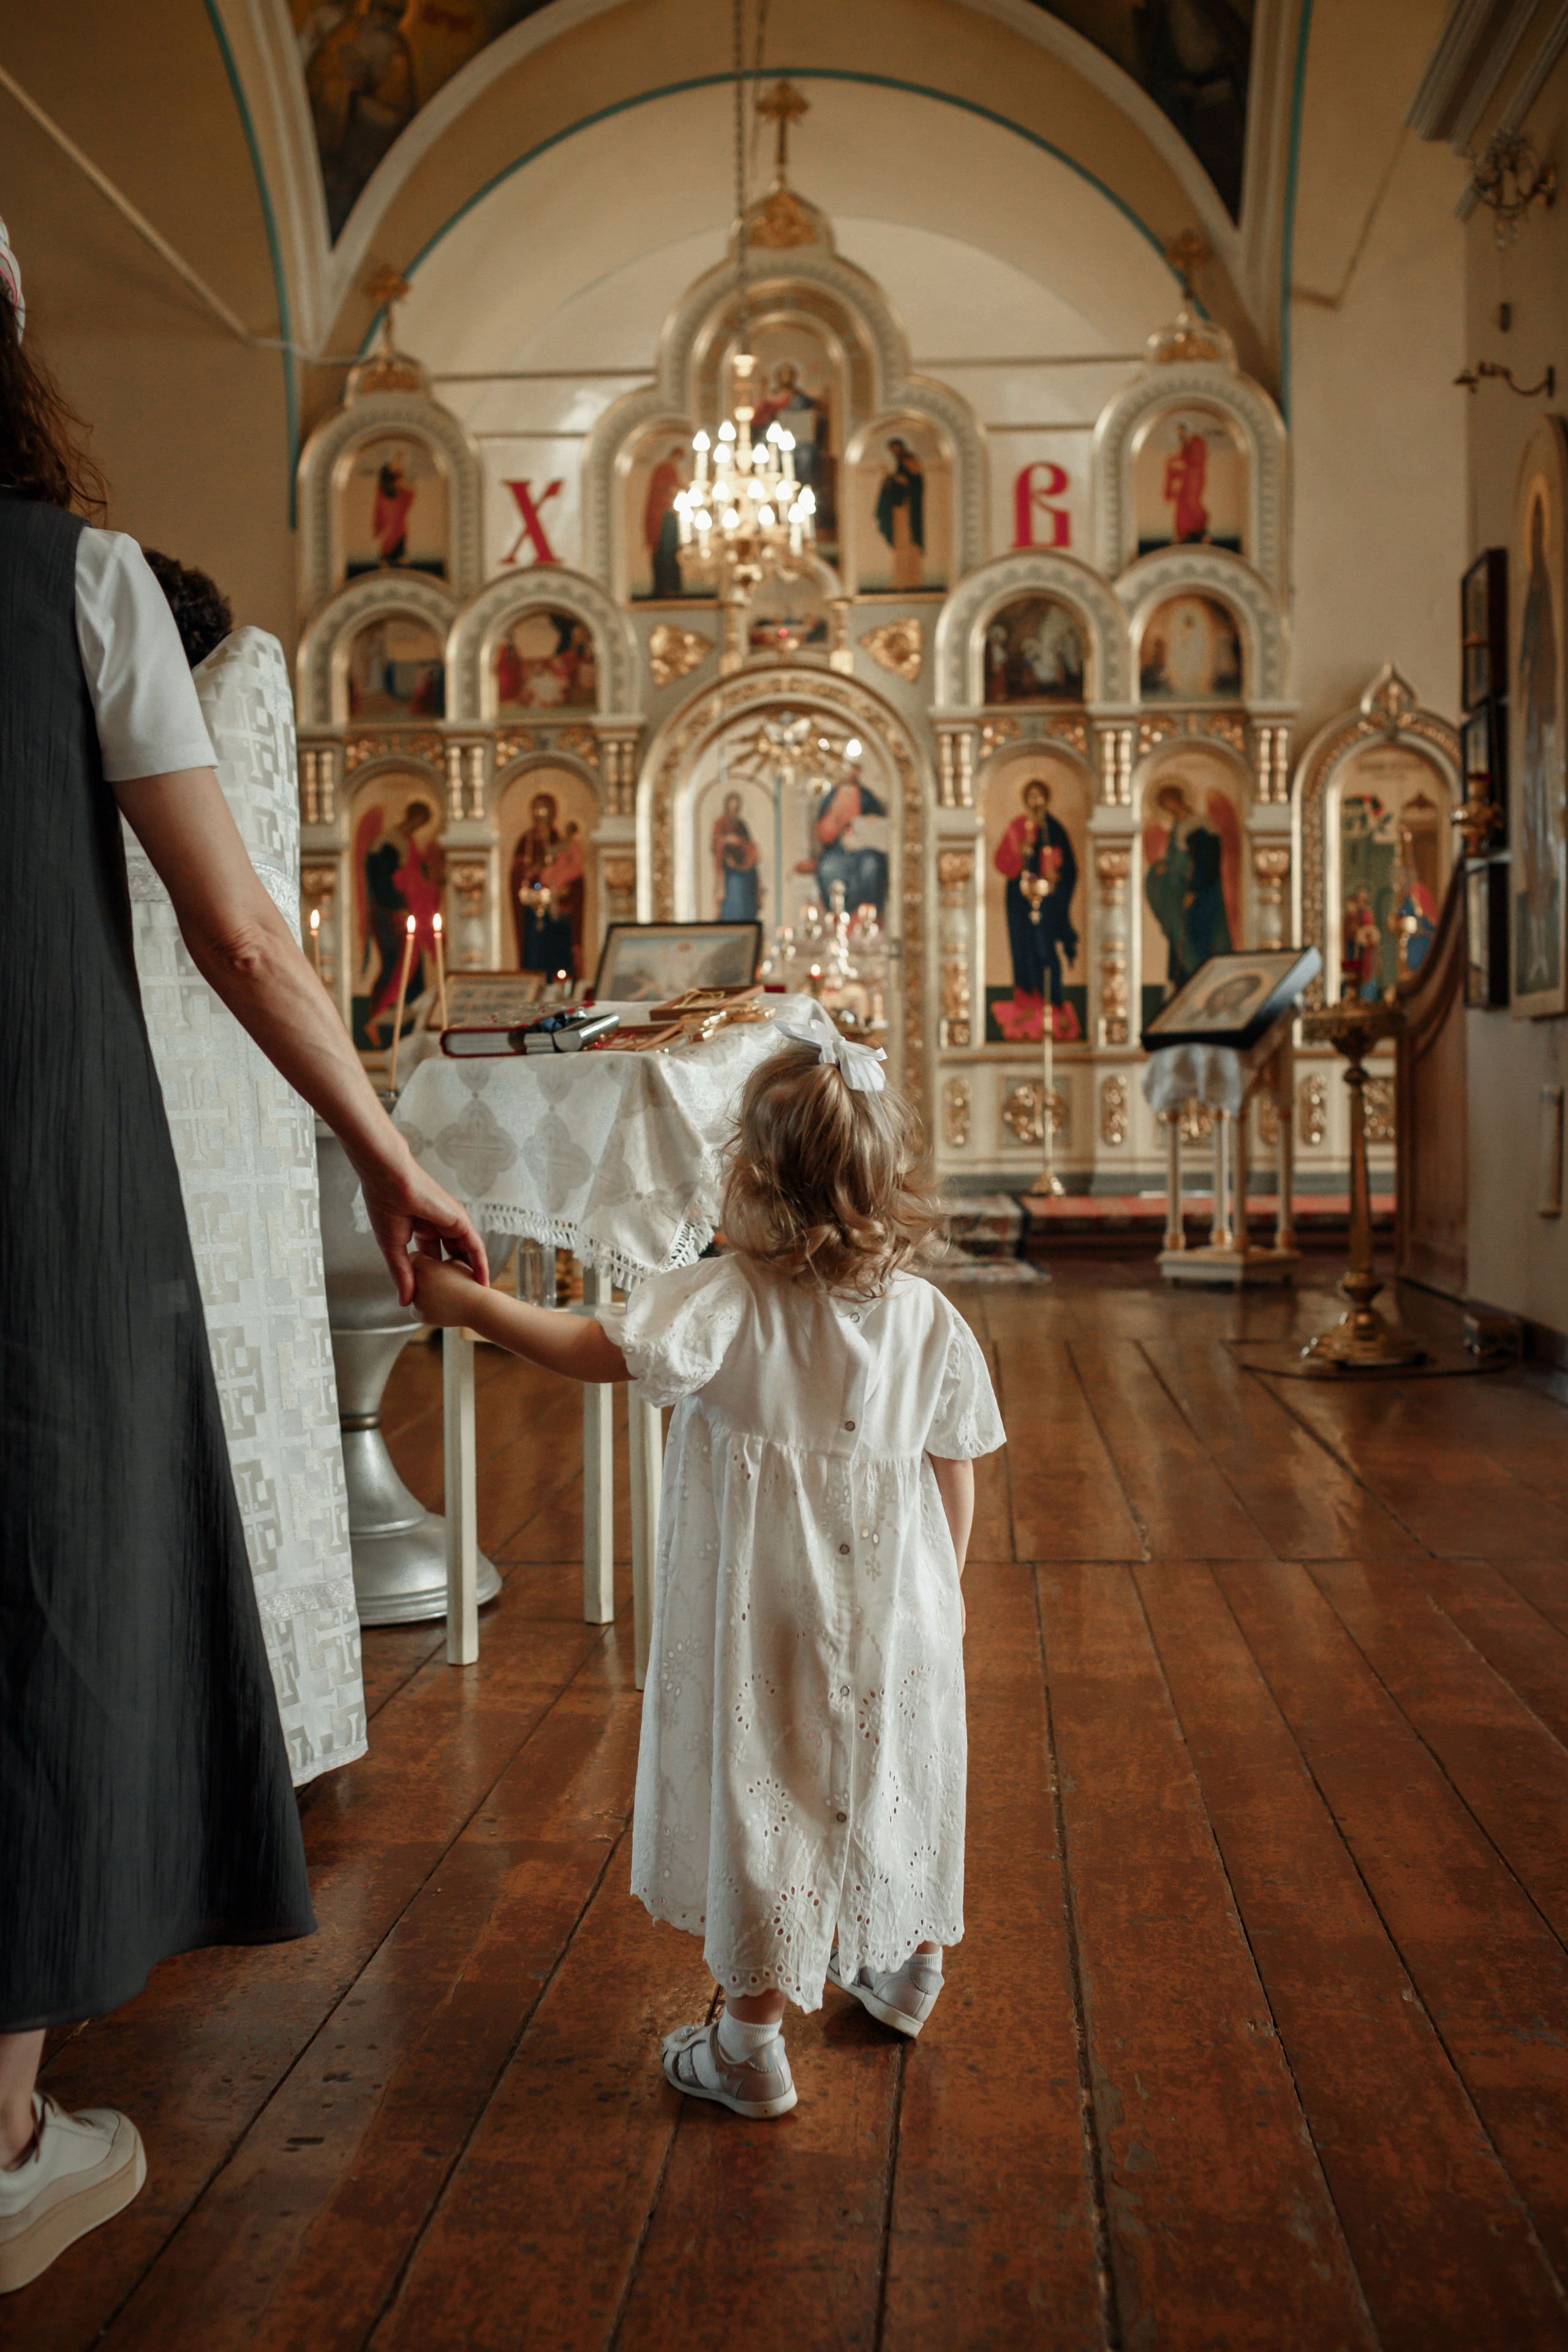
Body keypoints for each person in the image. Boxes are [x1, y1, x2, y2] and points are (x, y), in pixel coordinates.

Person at [0, 229, 486, 2292]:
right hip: (38, 1181)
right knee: (40, 1589)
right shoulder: (81, 584)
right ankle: (8, 2140)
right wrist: (386, 1155)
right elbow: (248, 936)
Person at [409, 1019, 1006, 2119]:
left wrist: (472, 1307)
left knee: (766, 1794)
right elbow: (953, 1463)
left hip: (765, 1610)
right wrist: (943, 1592)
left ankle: (747, 2043)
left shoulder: (726, 1300)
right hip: (906, 1609)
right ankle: (909, 1965)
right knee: (894, 1775)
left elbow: (595, 1351)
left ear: (751, 1178)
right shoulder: (930, 1316)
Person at [993, 777, 1079, 1033]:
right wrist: (1020, 851)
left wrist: (1056, 875)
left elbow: (1069, 867)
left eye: (1039, 795)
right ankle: (1028, 1004)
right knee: (1022, 947)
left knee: (1045, 948)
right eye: (1030, 796)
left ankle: (1053, 1003)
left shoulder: (1054, 829)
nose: (1035, 801)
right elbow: (1001, 861)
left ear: (1046, 798)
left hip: (1049, 897)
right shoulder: (1017, 826)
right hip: (1019, 896)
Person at [1144, 780, 1233, 991]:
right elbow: (1176, 858)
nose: (1169, 809)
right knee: (1179, 937)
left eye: (1170, 803)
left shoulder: (1200, 826)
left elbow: (1206, 862)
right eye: (1165, 806)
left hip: (1200, 895)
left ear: (1179, 800)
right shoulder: (1178, 827)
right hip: (1179, 892)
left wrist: (1194, 890)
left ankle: (1199, 979)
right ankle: (1183, 981)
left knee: (1197, 938)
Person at [873, 437, 924, 590]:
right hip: (899, 510)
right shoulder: (899, 464)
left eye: (896, 450)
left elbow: (913, 483)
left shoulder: (910, 461)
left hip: (908, 511)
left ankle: (912, 580)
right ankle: (901, 579)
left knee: (909, 546)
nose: (895, 453)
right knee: (900, 546)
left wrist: (895, 479)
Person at [712, 789, 762, 921]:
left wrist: (740, 843)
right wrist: (727, 841)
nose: (733, 809)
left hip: (745, 870)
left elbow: (747, 843)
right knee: (733, 901)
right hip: (731, 870)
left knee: (746, 902)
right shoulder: (721, 823)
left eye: (736, 806)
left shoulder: (741, 824)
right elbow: (717, 843)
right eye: (731, 805)